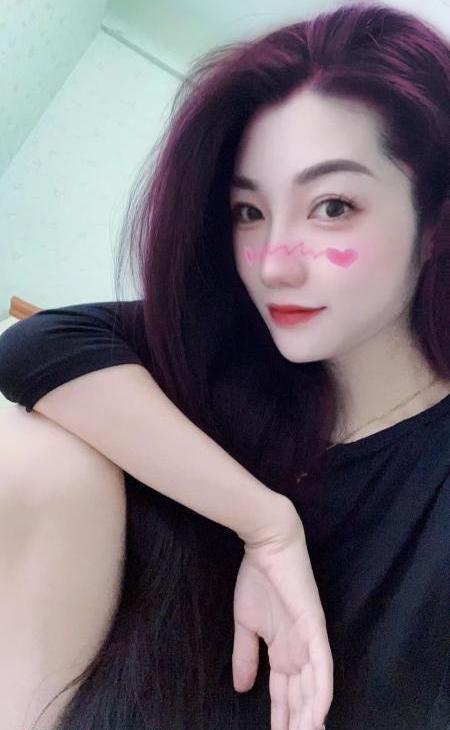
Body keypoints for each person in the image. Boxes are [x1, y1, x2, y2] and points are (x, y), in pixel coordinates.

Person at [0, 1, 449, 728]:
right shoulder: (225, 362)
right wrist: (265, 523)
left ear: (436, 225)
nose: (273, 265)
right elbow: (37, 344)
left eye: (333, 206)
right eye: (249, 212)